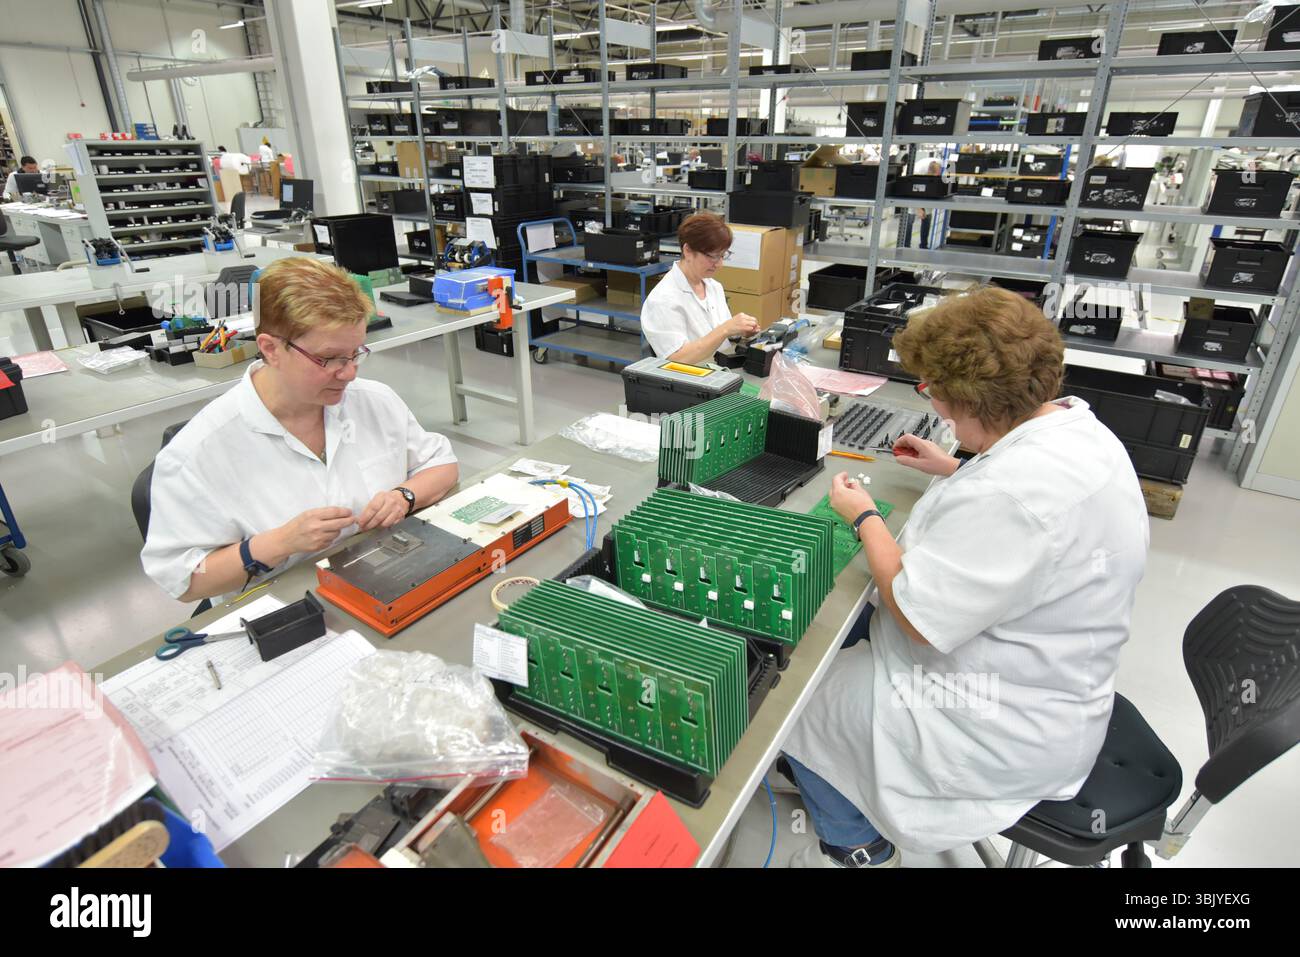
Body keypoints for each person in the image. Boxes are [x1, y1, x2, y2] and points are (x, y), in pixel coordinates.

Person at [781, 285, 1150, 868]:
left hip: (990, 725)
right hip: (1048, 679)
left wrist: (865, 517)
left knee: (793, 700)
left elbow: (914, 614)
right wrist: (955, 467)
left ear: (975, 399)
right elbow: (1029, 522)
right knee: (834, 638)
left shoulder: (1012, 494)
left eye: (938, 394)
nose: (938, 408)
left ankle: (856, 845)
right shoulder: (1079, 430)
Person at [141, 257, 459, 603]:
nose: (350, 372)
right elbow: (184, 580)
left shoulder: (374, 401)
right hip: (286, 607)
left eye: (355, 354)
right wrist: (278, 544)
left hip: (387, 582)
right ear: (271, 349)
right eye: (330, 358)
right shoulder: (197, 454)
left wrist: (403, 496)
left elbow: (442, 466)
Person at [639, 212, 759, 362]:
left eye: (722, 255)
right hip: (691, 380)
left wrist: (739, 331)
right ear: (688, 250)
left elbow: (723, 336)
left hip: (720, 368)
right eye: (712, 256)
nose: (719, 264)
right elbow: (676, 359)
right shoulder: (663, 300)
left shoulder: (713, 287)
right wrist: (726, 329)